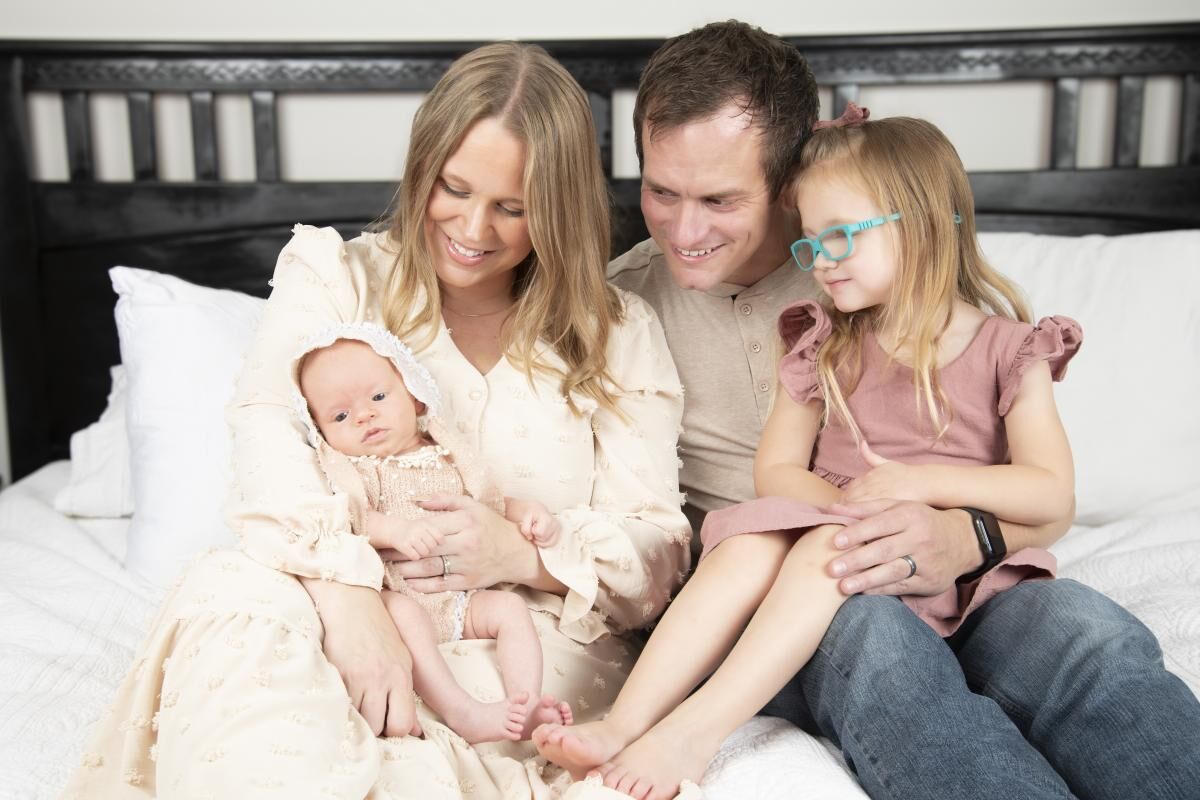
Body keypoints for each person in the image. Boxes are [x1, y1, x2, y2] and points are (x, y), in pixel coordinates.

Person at [62, 41, 690, 800]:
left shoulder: (617, 330)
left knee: (423, 737)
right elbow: (269, 443)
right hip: (331, 592)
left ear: (554, 210)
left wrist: (521, 558)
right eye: (453, 189)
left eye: (512, 207)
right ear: (423, 167)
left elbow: (657, 550)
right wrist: (353, 603)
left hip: (516, 635)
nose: (473, 228)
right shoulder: (336, 277)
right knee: (232, 595)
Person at [592, 19, 1200, 800]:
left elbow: (1041, 500)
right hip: (800, 597)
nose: (685, 228)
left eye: (719, 198)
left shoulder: (868, 281)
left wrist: (960, 534)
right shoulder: (616, 310)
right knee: (882, 644)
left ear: (792, 178)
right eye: (661, 191)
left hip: (974, 572)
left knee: (1086, 632)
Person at [539, 109, 1083, 797]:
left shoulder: (1012, 349)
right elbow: (777, 470)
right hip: (840, 533)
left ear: (920, 223)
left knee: (831, 554)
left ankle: (695, 731)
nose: (820, 262)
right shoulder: (824, 341)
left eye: (839, 238)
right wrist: (848, 509)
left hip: (955, 565)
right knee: (747, 542)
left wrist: (915, 485)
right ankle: (626, 722)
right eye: (809, 244)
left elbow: (1051, 494)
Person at [296, 328, 570, 743]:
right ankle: (463, 712)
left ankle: (525, 702)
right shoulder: (359, 470)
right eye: (340, 416)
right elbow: (351, 521)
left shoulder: (447, 452)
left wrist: (529, 514)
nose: (364, 416)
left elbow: (489, 502)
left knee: (511, 609)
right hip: (402, 594)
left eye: (378, 398)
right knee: (405, 618)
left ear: (414, 395)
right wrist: (396, 530)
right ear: (322, 433)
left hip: (460, 599)